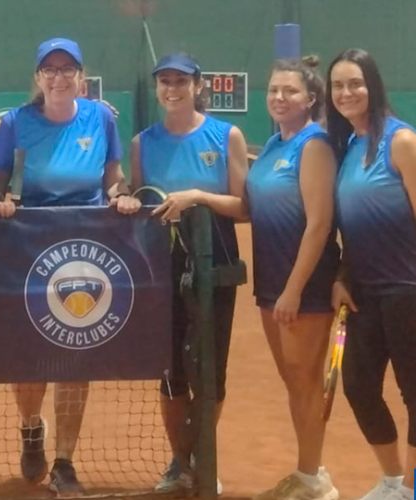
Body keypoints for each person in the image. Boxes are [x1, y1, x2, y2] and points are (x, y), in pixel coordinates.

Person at [0, 38, 138, 497]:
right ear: (38, 77)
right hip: (27, 251)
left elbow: (113, 177)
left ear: (81, 75)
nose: (59, 77)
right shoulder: (14, 124)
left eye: (67, 69)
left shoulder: (101, 118)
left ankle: (65, 461)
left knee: (75, 354)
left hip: (85, 249)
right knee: (30, 359)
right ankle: (31, 426)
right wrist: (1, 202)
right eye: (49, 70)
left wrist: (120, 195)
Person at [128, 53, 248, 494]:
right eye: (164, 81)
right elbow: (137, 199)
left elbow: (243, 206)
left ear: (198, 86)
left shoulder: (227, 135)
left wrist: (197, 196)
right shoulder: (142, 143)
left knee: (211, 372)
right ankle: (180, 462)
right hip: (161, 268)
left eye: (180, 80)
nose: (171, 88)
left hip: (215, 263)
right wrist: (125, 199)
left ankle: (202, 456)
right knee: (172, 372)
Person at [245, 56, 340, 500]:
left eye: (290, 91)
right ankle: (308, 472)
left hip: (303, 286)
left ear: (311, 98)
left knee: (305, 381)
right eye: (273, 90)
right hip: (271, 282)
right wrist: (200, 195)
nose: (279, 97)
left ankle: (314, 479)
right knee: (294, 381)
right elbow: (253, 206)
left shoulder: (314, 144)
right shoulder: (272, 144)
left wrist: (294, 289)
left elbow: (319, 224)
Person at [328, 48, 416, 500]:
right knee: (359, 387)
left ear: (373, 86)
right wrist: (342, 276)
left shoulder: (402, 141)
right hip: (362, 293)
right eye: (338, 85)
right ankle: (394, 481)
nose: (346, 92)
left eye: (355, 83)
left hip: (408, 289)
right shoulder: (346, 147)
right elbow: (351, 227)